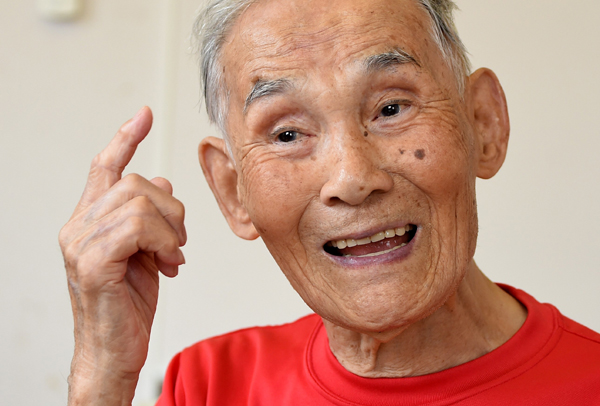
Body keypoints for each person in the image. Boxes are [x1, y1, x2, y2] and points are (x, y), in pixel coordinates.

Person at [59, 0, 600, 404]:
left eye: (391, 107)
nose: (352, 177)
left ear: (483, 123)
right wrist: (101, 374)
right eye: (288, 134)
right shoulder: (208, 386)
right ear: (232, 189)